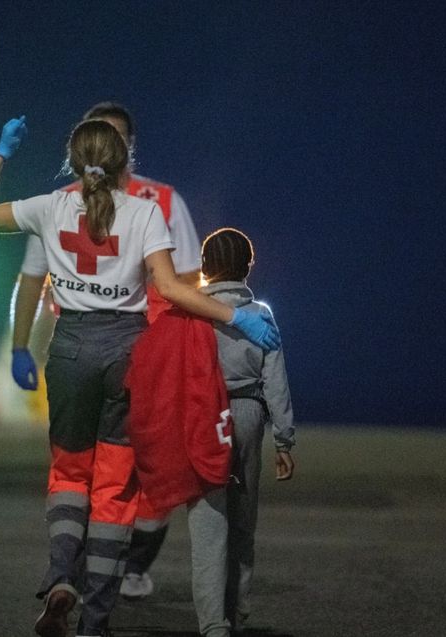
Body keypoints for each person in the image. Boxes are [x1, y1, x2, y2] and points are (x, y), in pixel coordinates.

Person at [0, 116, 280, 637]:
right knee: (114, 487)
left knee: (67, 475)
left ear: (73, 161)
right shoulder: (145, 213)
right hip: (125, 353)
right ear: (124, 161)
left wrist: (1, 152)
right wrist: (235, 316)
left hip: (69, 349)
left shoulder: (49, 206)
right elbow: (172, 290)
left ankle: (63, 574)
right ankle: (96, 618)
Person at [8, 102, 199, 600]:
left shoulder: (157, 201)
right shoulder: (78, 204)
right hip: (125, 353)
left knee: (115, 468)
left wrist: (188, 349)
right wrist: (18, 345)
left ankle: (97, 570)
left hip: (118, 352)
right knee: (110, 472)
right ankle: (94, 587)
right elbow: (32, 279)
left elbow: (191, 276)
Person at [188, 227, 295, 637]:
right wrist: (284, 440)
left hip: (203, 416)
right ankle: (237, 611)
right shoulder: (262, 315)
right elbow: (277, 382)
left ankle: (212, 623)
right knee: (243, 521)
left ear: (205, 267)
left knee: (207, 523)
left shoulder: (194, 310)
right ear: (248, 266)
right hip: (249, 414)